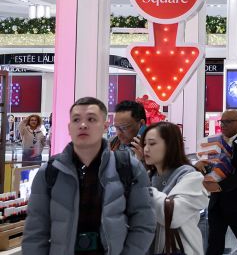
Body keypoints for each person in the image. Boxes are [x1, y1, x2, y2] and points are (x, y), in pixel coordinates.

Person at [23, 97, 155, 255]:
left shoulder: (129, 168)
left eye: (91, 119)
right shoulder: (50, 172)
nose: (83, 125)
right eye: (76, 120)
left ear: (105, 126)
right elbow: (35, 231)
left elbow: (144, 223)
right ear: (69, 127)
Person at [200, 109, 237, 255]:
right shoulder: (215, 142)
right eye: (222, 121)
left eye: (227, 122)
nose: (223, 125)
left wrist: (220, 186)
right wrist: (203, 169)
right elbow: (210, 165)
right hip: (217, 203)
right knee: (214, 245)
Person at [143, 121, 209, 255]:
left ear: (170, 145)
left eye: (152, 143)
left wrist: (142, 189)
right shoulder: (149, 176)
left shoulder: (191, 177)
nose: (146, 149)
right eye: (144, 144)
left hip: (180, 249)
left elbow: (172, 216)